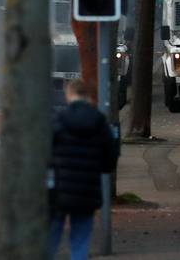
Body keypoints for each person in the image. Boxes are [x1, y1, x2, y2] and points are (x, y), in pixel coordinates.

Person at [48, 79, 118, 260]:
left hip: (60, 188)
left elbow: (46, 153)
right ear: (88, 96)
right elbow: (110, 159)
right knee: (81, 239)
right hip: (87, 189)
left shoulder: (60, 119)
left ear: (69, 95)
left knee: (51, 236)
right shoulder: (100, 122)